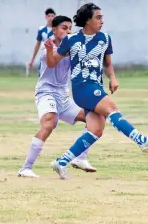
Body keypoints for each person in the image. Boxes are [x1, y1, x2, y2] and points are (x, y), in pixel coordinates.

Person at [45, 3, 148, 180]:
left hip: (96, 86)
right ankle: (141, 141)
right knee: (111, 108)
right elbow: (52, 62)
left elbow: (107, 63)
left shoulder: (105, 38)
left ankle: (61, 162)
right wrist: (49, 50)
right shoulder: (71, 40)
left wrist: (113, 78)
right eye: (98, 17)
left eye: (102, 17)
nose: (102, 21)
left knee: (95, 130)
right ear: (87, 20)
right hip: (82, 86)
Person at [18, 15, 100, 178]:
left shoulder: (72, 46)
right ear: (54, 30)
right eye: (64, 28)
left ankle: (80, 158)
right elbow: (51, 62)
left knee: (94, 118)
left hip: (63, 95)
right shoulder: (47, 47)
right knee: (49, 123)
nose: (68, 31)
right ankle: (26, 168)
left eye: (70, 28)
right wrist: (52, 50)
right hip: (46, 92)